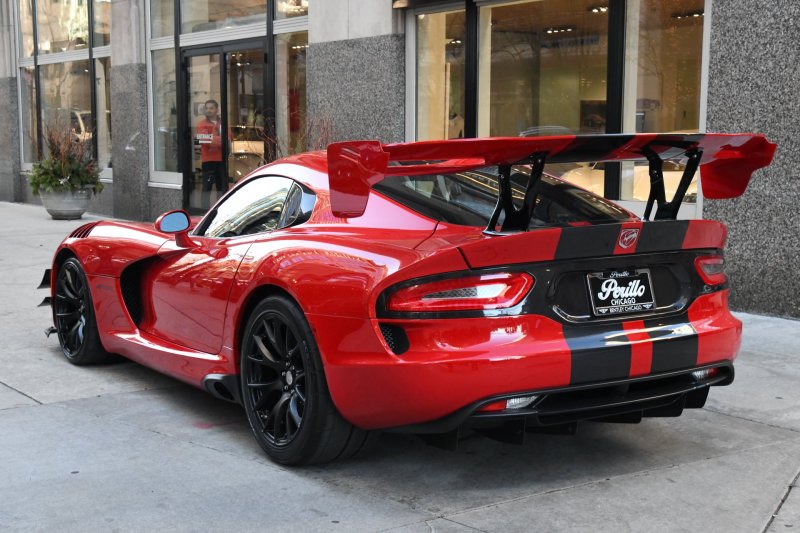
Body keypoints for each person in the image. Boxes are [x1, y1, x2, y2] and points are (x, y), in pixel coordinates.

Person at [196, 99, 227, 209]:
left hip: (221, 160)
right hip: (208, 160)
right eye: (207, 108)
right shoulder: (202, 124)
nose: (208, 110)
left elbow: (228, 139)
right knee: (206, 187)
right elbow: (203, 140)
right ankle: (204, 211)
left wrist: (212, 139)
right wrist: (218, 140)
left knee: (221, 187)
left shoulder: (223, 122)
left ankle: (221, 209)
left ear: (217, 109)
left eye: (211, 108)